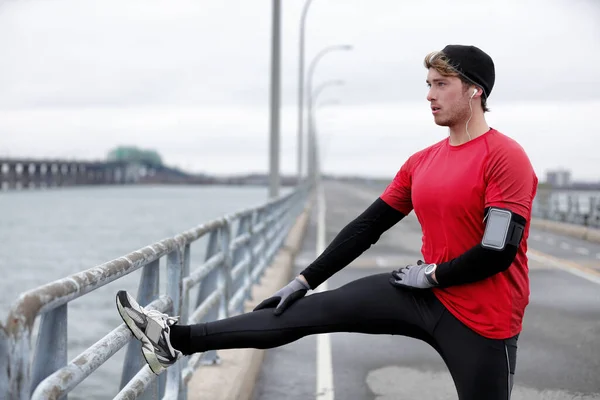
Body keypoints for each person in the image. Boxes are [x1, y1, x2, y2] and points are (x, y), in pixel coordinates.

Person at [116, 44, 538, 400]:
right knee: (300, 312)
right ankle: (175, 339)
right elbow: (365, 228)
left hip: (483, 317)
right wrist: (303, 280)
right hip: (421, 292)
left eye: (441, 84)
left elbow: (496, 251)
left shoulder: (504, 157)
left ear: (474, 92)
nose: (430, 95)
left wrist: (430, 275)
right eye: (428, 84)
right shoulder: (422, 162)